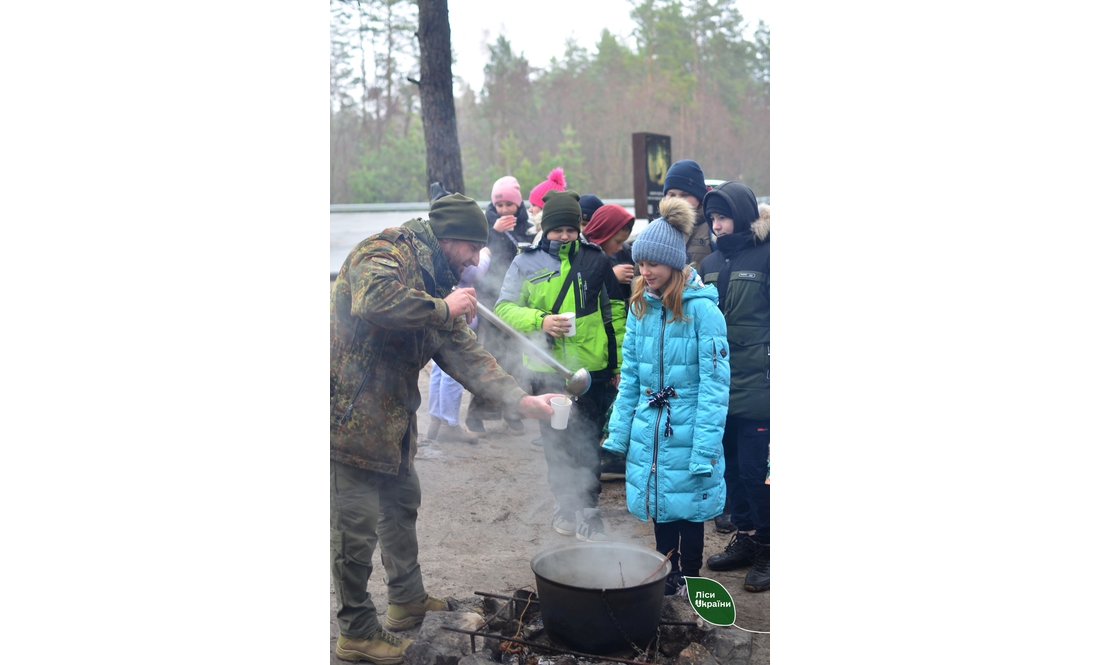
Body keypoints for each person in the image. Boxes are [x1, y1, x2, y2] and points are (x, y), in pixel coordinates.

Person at [330, 193, 560, 663]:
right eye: (474, 250)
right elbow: (372, 299)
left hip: (392, 421)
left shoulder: (439, 281)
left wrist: (521, 399)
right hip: (349, 419)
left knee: (400, 508)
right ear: (452, 239)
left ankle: (407, 599)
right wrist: (443, 307)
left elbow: (466, 355)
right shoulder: (386, 251)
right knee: (355, 530)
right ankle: (355, 630)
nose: (477, 261)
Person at [603, 196, 731, 596]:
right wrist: (619, 433)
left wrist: (706, 446)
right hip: (652, 424)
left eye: (652, 264)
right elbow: (631, 379)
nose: (644, 271)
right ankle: (665, 571)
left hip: (689, 425)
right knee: (660, 500)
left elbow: (715, 386)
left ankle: (690, 578)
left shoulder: (703, 312)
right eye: (641, 264)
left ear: (673, 263)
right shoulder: (640, 307)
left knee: (689, 507)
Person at [495, 189, 625, 541]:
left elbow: (614, 311)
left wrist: (618, 362)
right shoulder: (525, 262)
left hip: (592, 370)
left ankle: (589, 510)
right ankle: (565, 504)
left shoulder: (596, 260)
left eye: (571, 229)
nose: (565, 236)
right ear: (545, 228)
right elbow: (504, 310)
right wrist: (541, 321)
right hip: (546, 370)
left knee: (588, 440)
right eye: (558, 230)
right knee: (556, 441)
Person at [698, 181, 771, 593]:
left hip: (760, 385)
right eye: (712, 219)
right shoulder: (709, 263)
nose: (717, 225)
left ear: (741, 216)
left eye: (723, 217)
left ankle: (768, 546)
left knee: (756, 470)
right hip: (719, 387)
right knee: (731, 473)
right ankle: (745, 538)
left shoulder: (769, 254)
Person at [467, 176, 535, 434]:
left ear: (519, 205)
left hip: (519, 302)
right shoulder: (486, 226)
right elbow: (481, 262)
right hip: (492, 300)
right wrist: (495, 233)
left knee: (517, 359)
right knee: (493, 358)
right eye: (500, 204)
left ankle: (512, 410)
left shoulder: (526, 227)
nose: (505, 209)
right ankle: (476, 413)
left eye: (510, 204)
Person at [579, 203, 637, 481]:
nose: (619, 247)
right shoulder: (589, 259)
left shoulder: (617, 255)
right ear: (602, 234)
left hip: (611, 349)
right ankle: (597, 462)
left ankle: (607, 458)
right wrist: (611, 276)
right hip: (594, 353)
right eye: (616, 240)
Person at [427, 246, 492, 444]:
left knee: (438, 370)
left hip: (443, 313)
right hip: (456, 316)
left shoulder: (437, 247)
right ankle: (450, 424)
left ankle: (436, 420)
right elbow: (474, 272)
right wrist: (487, 255)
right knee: (453, 371)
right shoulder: (456, 253)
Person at [662, 159, 714, 270]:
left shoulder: (714, 226)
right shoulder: (658, 228)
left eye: (684, 195)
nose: (678, 200)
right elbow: (639, 275)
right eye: (672, 194)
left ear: (699, 196)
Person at [526, 167, 567, 242]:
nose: (530, 209)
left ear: (546, 208)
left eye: (534, 205)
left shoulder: (545, 237)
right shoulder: (535, 232)